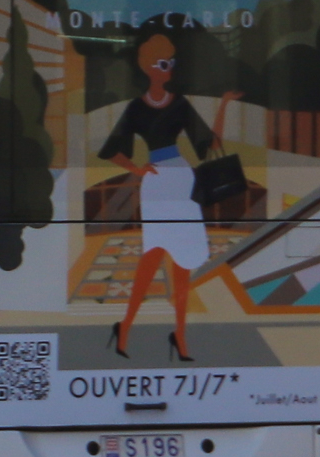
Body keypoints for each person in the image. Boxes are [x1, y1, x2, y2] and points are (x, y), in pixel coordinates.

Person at [97, 32, 238, 364]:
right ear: (148, 67)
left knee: (183, 265)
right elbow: (110, 150)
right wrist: (137, 168)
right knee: (151, 258)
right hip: (157, 185)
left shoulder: (179, 104)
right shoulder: (135, 108)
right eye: (163, 63)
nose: (169, 69)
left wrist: (224, 105)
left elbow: (211, 144)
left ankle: (181, 335)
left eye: (171, 63)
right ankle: (126, 326)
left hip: (181, 182)